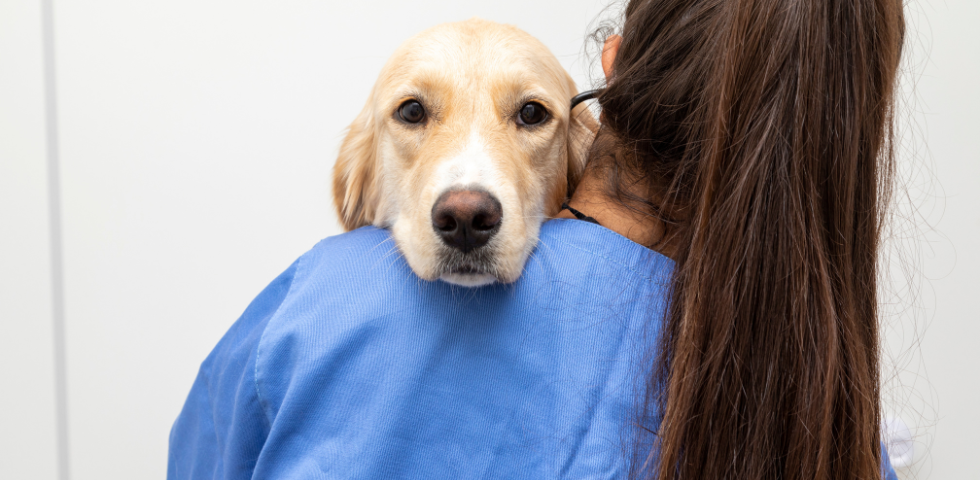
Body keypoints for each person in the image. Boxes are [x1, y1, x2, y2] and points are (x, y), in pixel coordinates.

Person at [168, 0, 905, 478]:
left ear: (613, 75)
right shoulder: (830, 411)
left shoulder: (312, 311)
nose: (466, 200)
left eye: (528, 115)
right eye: (415, 113)